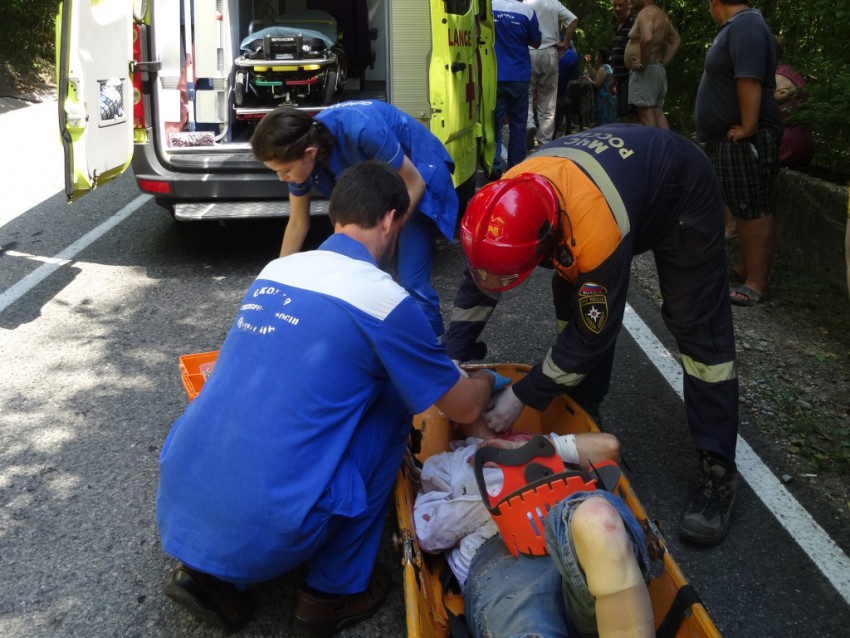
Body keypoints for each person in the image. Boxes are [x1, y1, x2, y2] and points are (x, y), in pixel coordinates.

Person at [156, 162, 509, 635]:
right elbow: (463, 406)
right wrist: (487, 379)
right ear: (391, 220)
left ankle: (209, 576)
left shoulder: (277, 270)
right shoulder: (383, 298)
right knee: (395, 401)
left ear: (336, 216)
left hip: (177, 503)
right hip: (269, 529)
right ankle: (331, 593)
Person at [444, 125, 740, 547]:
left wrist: (522, 394)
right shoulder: (502, 206)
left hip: (679, 190)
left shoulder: (594, 231)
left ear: (546, 238)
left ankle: (718, 465)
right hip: (607, 188)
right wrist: (452, 359)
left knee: (697, 326)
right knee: (570, 301)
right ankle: (585, 409)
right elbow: (481, 282)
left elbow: (592, 335)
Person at [251, 100, 458, 340]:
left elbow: (414, 184)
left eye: (284, 171)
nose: (281, 178)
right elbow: (298, 223)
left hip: (417, 177)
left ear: (310, 153)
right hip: (375, 188)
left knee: (411, 280)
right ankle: (378, 343)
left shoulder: (362, 129)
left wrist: (388, 234)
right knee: (351, 272)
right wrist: (277, 280)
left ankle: (434, 347)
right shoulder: (302, 157)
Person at [414, 433, 654, 637]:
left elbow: (609, 447)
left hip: (568, 531)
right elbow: (428, 532)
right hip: (503, 557)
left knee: (598, 518)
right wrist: (506, 502)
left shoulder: (536, 443)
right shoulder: (449, 463)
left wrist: (529, 448)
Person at [694, 0, 783, 306]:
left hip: (746, 137)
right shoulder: (735, 27)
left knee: (753, 206)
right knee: (740, 203)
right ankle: (745, 268)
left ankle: (756, 283)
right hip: (729, 137)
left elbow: (749, 78)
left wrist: (748, 126)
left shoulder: (747, 26)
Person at [491, 0, 542, 177]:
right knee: (518, 125)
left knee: (494, 124)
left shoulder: (490, 6)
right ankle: (515, 168)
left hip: (494, 74)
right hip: (519, 76)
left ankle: (494, 164)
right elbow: (537, 42)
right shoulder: (526, 12)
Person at [524, 0, 578, 148]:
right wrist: (565, 44)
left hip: (529, 52)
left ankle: (529, 123)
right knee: (548, 100)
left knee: (527, 93)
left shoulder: (525, 3)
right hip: (550, 53)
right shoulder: (554, 3)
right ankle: (545, 142)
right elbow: (573, 20)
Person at [624, 0, 680, 129]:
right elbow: (676, 40)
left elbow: (647, 38)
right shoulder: (661, 15)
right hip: (655, 69)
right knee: (657, 113)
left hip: (646, 71)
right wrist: (663, 62)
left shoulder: (645, 14)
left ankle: (653, 143)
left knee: (646, 116)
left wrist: (643, 63)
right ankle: (665, 143)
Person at [772, 38, 815, 168]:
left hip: (788, 146)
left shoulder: (779, 76)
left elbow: (772, 99)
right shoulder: (787, 72)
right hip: (798, 143)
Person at [609, 0, 636, 121]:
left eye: (620, 5)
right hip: (620, 78)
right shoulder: (617, 27)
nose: (617, 8)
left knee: (634, 114)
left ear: (629, 5)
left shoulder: (634, 24)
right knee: (625, 114)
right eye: (615, 5)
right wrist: (613, 77)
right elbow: (617, 54)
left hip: (629, 76)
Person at [582, 48, 617, 127]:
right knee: (610, 121)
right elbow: (597, 74)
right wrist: (587, 63)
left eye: (596, 56)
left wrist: (588, 79)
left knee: (603, 122)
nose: (595, 58)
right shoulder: (608, 67)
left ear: (600, 57)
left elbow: (597, 84)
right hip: (610, 97)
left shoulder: (602, 68)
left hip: (603, 99)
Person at [554, 40, 582, 136]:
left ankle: (559, 129)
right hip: (571, 87)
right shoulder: (573, 55)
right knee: (569, 110)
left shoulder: (568, 55)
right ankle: (565, 128)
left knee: (562, 108)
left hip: (567, 88)